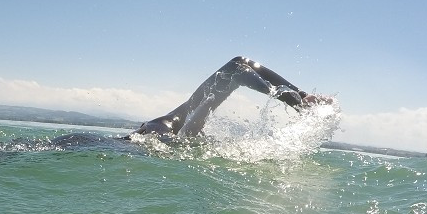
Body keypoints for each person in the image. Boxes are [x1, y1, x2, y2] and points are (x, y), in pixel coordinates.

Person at [131, 56, 331, 138]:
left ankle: (302, 101)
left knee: (237, 66)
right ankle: (302, 102)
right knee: (236, 68)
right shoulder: (169, 122)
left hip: (161, 134)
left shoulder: (170, 121)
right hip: (161, 134)